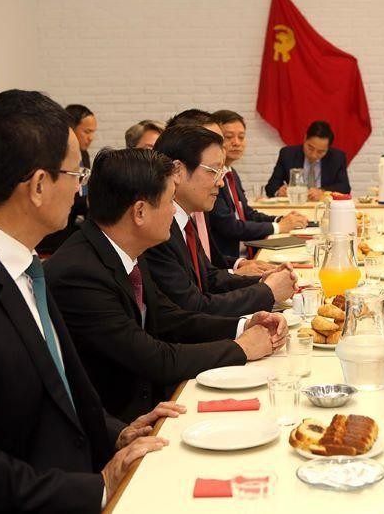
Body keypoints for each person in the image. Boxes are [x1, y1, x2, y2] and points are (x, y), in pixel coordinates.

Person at [0, 89, 181, 511]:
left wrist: (118, 434)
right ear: (38, 186)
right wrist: (97, 488)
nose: (80, 190)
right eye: (75, 175)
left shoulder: (25, 264)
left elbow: (61, 394)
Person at [45, 147, 287, 422]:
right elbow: (152, 357)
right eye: (170, 200)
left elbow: (170, 317)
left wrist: (244, 325)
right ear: (139, 212)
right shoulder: (79, 274)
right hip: (119, 423)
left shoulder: (127, 247)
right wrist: (242, 348)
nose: (174, 211)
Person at [147, 124, 296, 316]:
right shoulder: (158, 231)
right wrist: (267, 292)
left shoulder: (185, 219)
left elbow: (208, 277)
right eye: (213, 171)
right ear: (177, 171)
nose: (220, 182)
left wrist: (262, 280)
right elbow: (194, 307)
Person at [207, 110, 308, 263]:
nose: (236, 142)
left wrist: (281, 218)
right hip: (230, 261)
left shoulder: (230, 172)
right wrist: (279, 227)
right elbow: (230, 227)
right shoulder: (213, 178)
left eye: (241, 137)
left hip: (248, 253)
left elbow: (247, 213)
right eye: (228, 137)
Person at [36, 103, 98, 254]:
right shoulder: (54, 156)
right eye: (87, 131)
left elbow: (82, 191)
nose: (91, 138)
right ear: (71, 128)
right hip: (54, 235)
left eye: (93, 132)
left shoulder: (83, 154)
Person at [265, 120, 351, 199]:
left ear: (328, 148)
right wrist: (279, 191)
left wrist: (323, 192)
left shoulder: (337, 157)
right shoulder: (287, 154)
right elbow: (271, 186)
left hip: (322, 206)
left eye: (320, 152)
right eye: (310, 148)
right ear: (305, 138)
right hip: (295, 206)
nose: (314, 155)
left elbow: (345, 187)